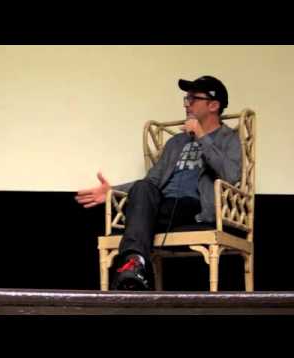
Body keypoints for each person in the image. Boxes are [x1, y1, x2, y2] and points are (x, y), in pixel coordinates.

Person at [75, 75, 241, 291]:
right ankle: (136, 264)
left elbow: (230, 175)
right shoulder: (176, 142)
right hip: (162, 202)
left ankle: (133, 264)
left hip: (194, 206)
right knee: (143, 188)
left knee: (140, 216)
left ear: (213, 105)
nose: (187, 104)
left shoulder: (229, 138)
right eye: (186, 98)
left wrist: (201, 136)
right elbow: (152, 180)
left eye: (193, 98)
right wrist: (111, 191)